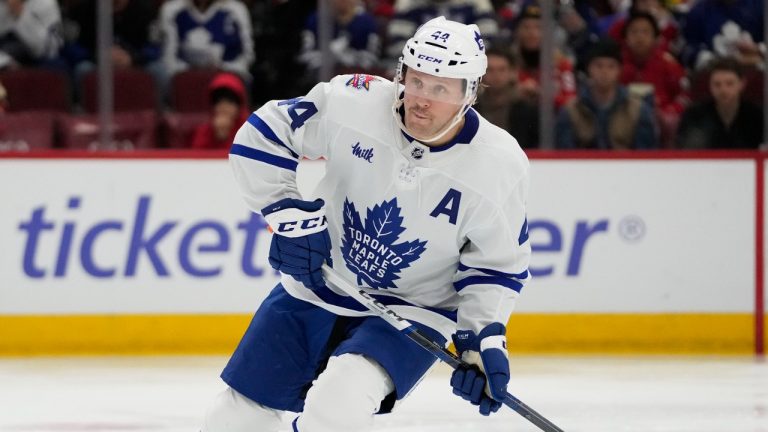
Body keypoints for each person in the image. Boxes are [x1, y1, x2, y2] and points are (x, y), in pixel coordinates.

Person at [203, 16, 531, 431]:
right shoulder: (354, 102)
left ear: (469, 93)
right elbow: (264, 133)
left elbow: (497, 264)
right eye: (416, 81)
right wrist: (289, 218)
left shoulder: (498, 164)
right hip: (319, 284)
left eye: (440, 88)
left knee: (335, 408)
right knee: (234, 416)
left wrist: (480, 340)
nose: (422, 99)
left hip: (415, 311)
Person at [556, 38, 657, 149]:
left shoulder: (638, 110)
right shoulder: (571, 111)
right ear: (589, 68)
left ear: (619, 70)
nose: (605, 72)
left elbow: (645, 157)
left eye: (611, 66)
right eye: (599, 66)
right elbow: (565, 156)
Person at [619, 11, 688, 148]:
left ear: (655, 37)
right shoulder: (617, 65)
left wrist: (671, 110)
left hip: (663, 120)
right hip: (625, 121)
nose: (640, 37)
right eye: (634, 32)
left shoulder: (668, 64)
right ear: (626, 38)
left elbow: (684, 94)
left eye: (645, 32)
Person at [677, 57, 763, 149]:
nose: (723, 90)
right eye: (717, 84)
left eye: (729, 83)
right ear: (710, 86)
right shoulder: (694, 116)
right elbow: (684, 152)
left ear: (742, 84)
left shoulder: (757, 116)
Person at [474, 47, 539, 148]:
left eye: (502, 69)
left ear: (512, 72)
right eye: (490, 70)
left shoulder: (527, 109)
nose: (496, 75)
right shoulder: (471, 108)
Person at [190, 72, 248, 149]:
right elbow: (196, 157)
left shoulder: (249, 130)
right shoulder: (203, 132)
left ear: (239, 105)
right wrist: (217, 137)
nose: (223, 107)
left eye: (230, 102)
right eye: (219, 102)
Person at [0, 0, 63, 68]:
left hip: (36, 60)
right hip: (5, 59)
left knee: (56, 66)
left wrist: (20, 12)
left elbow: (50, 50)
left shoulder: (46, 3)